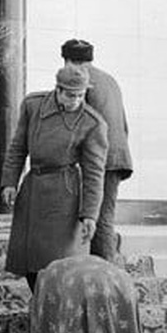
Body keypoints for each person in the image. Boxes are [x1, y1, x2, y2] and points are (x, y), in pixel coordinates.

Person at [1, 66, 108, 291]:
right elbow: (18, 147)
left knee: (59, 262)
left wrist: (90, 214)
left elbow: (94, 174)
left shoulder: (92, 123)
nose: (76, 100)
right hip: (32, 190)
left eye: (81, 95)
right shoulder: (33, 106)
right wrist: (10, 181)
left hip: (64, 195)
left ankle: (55, 313)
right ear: (57, 90)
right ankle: (40, 307)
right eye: (70, 94)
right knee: (30, 260)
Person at [60, 38, 133, 264]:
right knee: (105, 216)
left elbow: (78, 125)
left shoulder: (80, 81)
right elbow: (124, 124)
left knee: (98, 219)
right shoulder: (109, 80)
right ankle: (104, 270)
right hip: (119, 157)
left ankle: (103, 275)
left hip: (100, 159)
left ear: (68, 61)